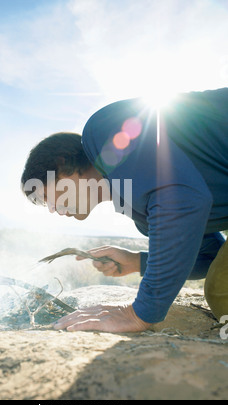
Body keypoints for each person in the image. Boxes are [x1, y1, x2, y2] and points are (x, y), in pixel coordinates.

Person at [21, 88, 228, 333]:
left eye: (47, 196)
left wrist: (140, 313)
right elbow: (208, 256)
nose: (53, 209)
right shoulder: (145, 214)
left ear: (63, 163)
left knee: (221, 288)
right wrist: (136, 261)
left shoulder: (103, 133)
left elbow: (183, 200)